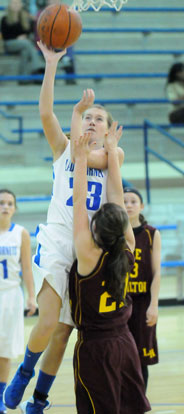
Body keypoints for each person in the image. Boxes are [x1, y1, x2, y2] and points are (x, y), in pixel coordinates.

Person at [4, 40, 124, 414]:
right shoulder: (63, 151)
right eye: (87, 116)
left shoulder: (111, 158)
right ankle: (22, 375)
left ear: (108, 131)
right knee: (48, 319)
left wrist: (97, 146)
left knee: (63, 332)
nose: (91, 121)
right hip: (58, 242)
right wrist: (52, 63)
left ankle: (39, 400)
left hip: (90, 249)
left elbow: (108, 155)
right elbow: (44, 112)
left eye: (98, 119)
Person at [67, 129, 151, 413]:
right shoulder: (128, 248)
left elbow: (79, 202)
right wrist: (112, 154)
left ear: (96, 230)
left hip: (96, 348)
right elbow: (116, 198)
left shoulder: (88, 256)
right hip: (125, 343)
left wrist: (80, 160)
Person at [0, 189, 36, 414]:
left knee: (5, 350)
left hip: (11, 296)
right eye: (1, 202)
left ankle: (0, 398)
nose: (5, 206)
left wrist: (32, 296)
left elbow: (26, 267)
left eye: (9, 203)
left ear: (15, 208)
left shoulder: (20, 233)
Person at [124, 187, 161, 390]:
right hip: (119, 303)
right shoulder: (114, 232)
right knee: (120, 357)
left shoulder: (151, 234)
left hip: (143, 303)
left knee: (141, 359)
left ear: (141, 206)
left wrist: (154, 305)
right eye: (124, 201)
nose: (129, 205)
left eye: (133, 201)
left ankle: (138, 405)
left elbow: (157, 273)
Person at [1, 0, 44, 84]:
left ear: (21, 5)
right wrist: (17, 38)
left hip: (23, 45)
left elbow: (29, 31)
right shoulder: (5, 19)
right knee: (27, 44)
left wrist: (32, 20)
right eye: (14, 3)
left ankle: (22, 78)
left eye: (18, 3)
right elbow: (5, 36)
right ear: (10, 5)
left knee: (25, 52)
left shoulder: (23, 18)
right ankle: (38, 66)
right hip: (9, 44)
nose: (16, 5)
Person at [35, 0, 76, 84]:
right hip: (44, 43)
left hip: (57, 43)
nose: (54, 1)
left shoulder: (64, 14)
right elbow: (39, 34)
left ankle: (68, 65)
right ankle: (50, 76)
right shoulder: (41, 14)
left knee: (68, 41)